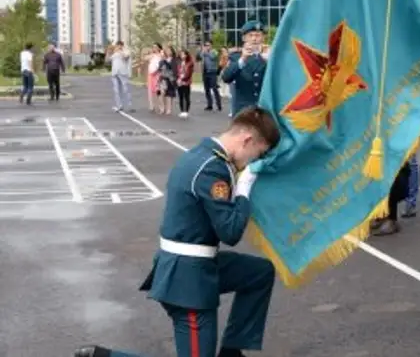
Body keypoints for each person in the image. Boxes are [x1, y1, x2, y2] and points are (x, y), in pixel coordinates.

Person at [73, 106, 281, 357]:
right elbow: (230, 233)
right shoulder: (212, 169)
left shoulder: (203, 154)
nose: (254, 162)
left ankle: (231, 352)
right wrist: (245, 189)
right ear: (246, 140)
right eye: (257, 154)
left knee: (259, 273)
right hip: (187, 281)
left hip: (196, 264)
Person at [221, 22, 269, 116]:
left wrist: (270, 62)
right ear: (244, 38)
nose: (254, 39)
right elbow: (226, 77)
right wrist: (242, 59)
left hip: (264, 110)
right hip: (243, 111)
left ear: (263, 38)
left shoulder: (269, 57)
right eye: (250, 35)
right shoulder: (235, 57)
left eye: (258, 35)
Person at [108, 41, 134, 113]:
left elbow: (125, 58)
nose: (118, 47)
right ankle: (119, 105)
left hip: (123, 72)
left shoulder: (126, 51)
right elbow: (108, 60)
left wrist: (120, 51)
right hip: (115, 73)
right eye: (117, 45)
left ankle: (129, 105)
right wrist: (109, 51)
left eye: (120, 45)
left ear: (122, 46)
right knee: (116, 90)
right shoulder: (114, 53)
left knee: (125, 89)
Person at [199, 41, 223, 112]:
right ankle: (209, 105)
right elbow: (200, 56)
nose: (206, 46)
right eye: (205, 45)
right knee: (207, 89)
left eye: (208, 45)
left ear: (211, 45)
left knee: (214, 88)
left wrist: (206, 52)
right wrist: (202, 51)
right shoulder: (204, 52)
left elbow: (213, 57)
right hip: (205, 72)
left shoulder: (214, 52)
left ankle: (219, 105)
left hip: (212, 72)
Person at [177, 49, 195, 119]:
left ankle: (186, 111)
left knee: (186, 96)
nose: (182, 55)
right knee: (181, 96)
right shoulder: (179, 62)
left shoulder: (190, 63)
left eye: (183, 54)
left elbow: (189, 74)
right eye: (181, 54)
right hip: (179, 81)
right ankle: (182, 111)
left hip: (186, 82)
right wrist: (178, 79)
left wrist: (183, 79)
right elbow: (177, 71)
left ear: (187, 55)